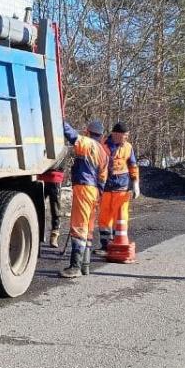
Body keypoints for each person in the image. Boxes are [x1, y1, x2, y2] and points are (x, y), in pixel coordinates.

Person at [60, 119, 109, 280]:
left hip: (83, 187)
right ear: (101, 136)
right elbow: (103, 178)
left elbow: (71, 135)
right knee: (87, 228)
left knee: (78, 226)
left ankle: (75, 267)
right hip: (95, 192)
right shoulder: (104, 152)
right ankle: (85, 266)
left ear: (88, 132)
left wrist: (60, 119)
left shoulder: (86, 143)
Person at [96, 122, 140, 252]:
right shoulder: (103, 145)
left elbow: (133, 165)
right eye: (124, 135)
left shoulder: (128, 147)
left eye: (127, 135)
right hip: (105, 186)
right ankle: (105, 245)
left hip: (122, 187)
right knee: (104, 217)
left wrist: (136, 183)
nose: (126, 137)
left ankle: (118, 242)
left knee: (120, 217)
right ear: (115, 134)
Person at [39, 160, 67, 248]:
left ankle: (54, 235)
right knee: (38, 209)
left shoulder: (65, 147)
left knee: (55, 210)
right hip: (41, 177)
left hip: (55, 177)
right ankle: (37, 235)